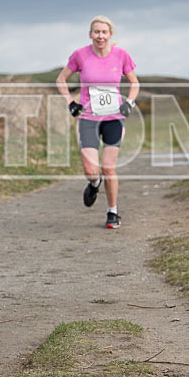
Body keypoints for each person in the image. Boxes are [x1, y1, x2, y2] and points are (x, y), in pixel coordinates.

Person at [56, 15, 139, 229]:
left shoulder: (121, 55)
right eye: (96, 32)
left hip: (114, 118)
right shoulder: (80, 56)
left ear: (110, 35)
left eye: (104, 32)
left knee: (109, 168)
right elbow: (61, 80)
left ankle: (113, 212)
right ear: (90, 34)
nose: (100, 36)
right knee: (91, 170)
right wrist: (70, 102)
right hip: (89, 118)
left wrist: (129, 102)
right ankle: (94, 183)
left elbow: (134, 83)